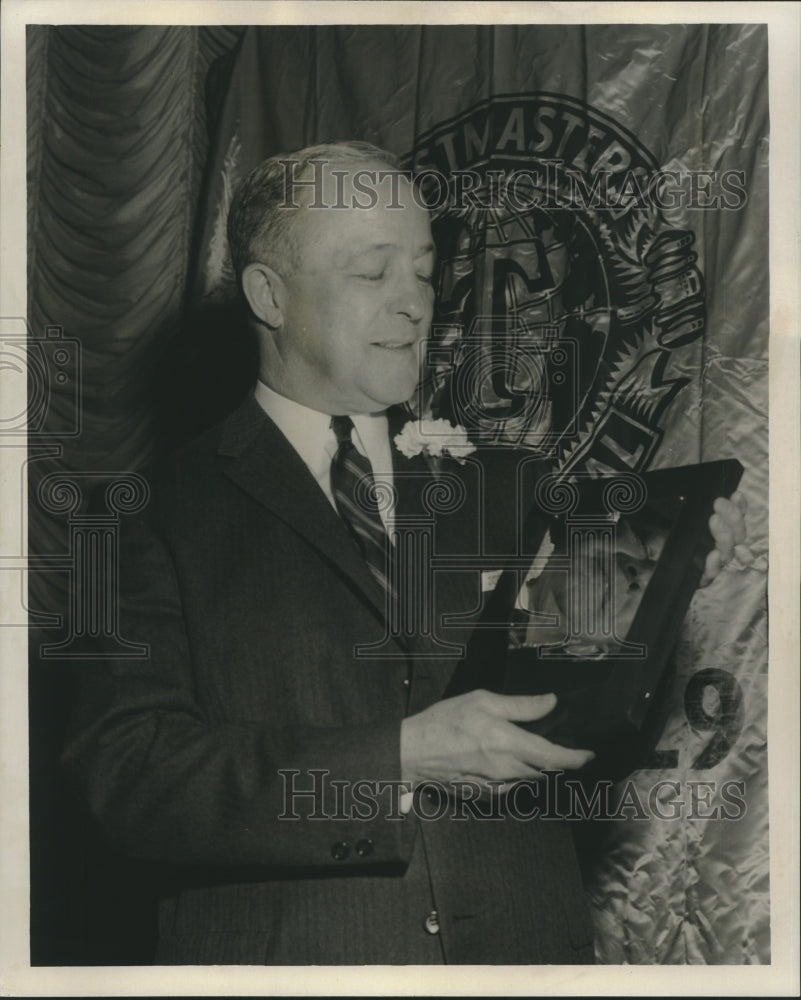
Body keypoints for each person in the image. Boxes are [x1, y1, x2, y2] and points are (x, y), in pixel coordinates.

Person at [63, 141, 746, 965]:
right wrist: (398, 759)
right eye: (371, 272)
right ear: (269, 295)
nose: (414, 304)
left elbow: (585, 730)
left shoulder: (512, 489)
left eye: (422, 272)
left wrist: (652, 597)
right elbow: (126, 782)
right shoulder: (139, 516)